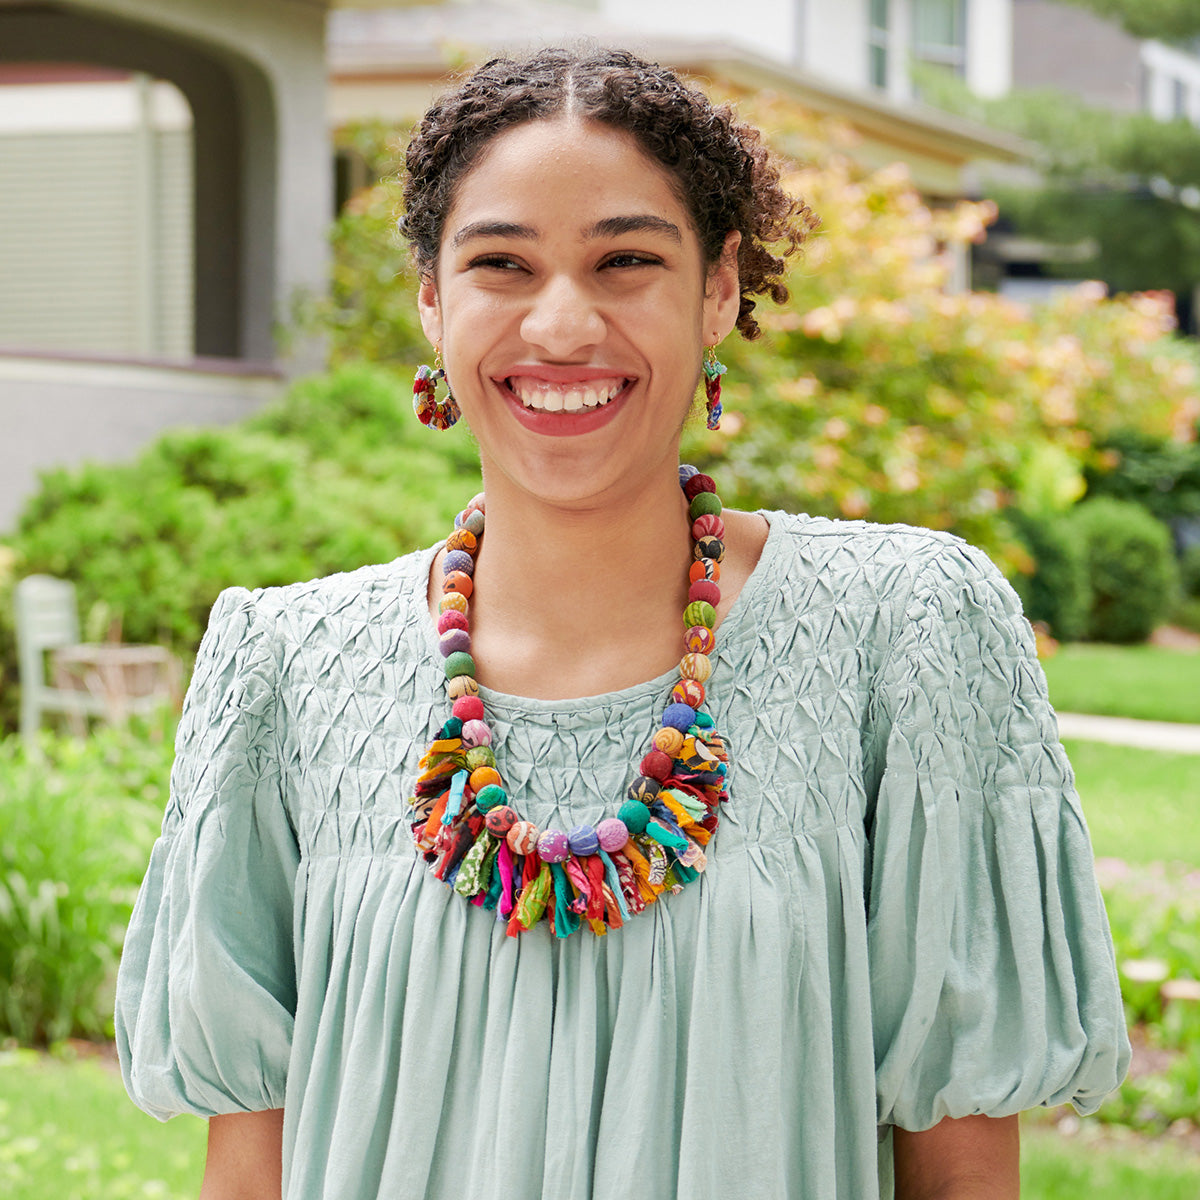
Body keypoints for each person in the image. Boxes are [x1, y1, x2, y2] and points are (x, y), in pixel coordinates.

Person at [115, 46, 1130, 1200]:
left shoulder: (904, 628)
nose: (561, 323)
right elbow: (249, 1171)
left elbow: (960, 1169)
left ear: (719, 288)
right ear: (433, 301)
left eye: (626, 259)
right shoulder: (284, 666)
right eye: (501, 262)